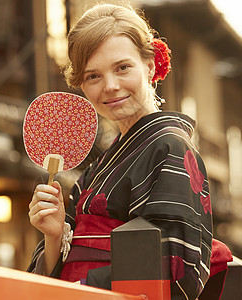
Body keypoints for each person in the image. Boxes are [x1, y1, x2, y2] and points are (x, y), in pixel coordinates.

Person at [27, 3, 215, 299]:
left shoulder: (171, 148)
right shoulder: (96, 168)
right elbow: (57, 270)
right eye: (93, 76)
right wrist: (54, 235)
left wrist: (79, 290)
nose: (110, 86)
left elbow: (177, 268)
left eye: (122, 68)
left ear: (150, 65)